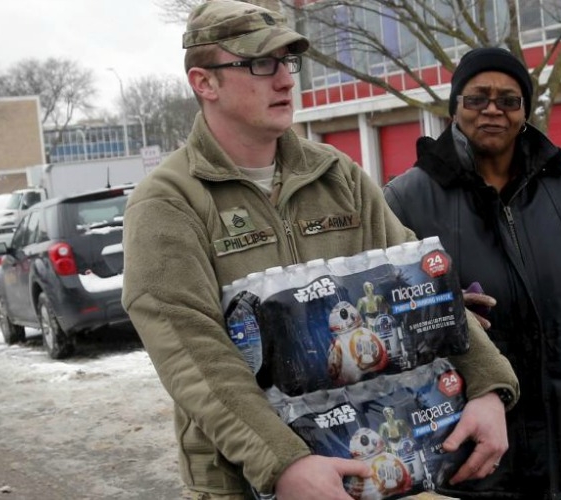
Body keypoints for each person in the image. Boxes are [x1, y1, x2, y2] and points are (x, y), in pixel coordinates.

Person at [121, 4, 519, 500]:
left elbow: (419, 285)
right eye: (260, 64)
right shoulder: (169, 202)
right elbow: (193, 355)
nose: (285, 80)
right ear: (205, 82)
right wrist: (283, 462)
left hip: (365, 457)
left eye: (288, 62)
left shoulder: (337, 175)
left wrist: (486, 384)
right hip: (248, 482)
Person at [383, 47, 561, 500]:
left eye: (508, 99)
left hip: (556, 443)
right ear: (455, 106)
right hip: (459, 453)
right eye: (477, 98)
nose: (492, 109)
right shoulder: (406, 199)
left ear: (525, 111)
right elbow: (381, 318)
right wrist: (440, 313)